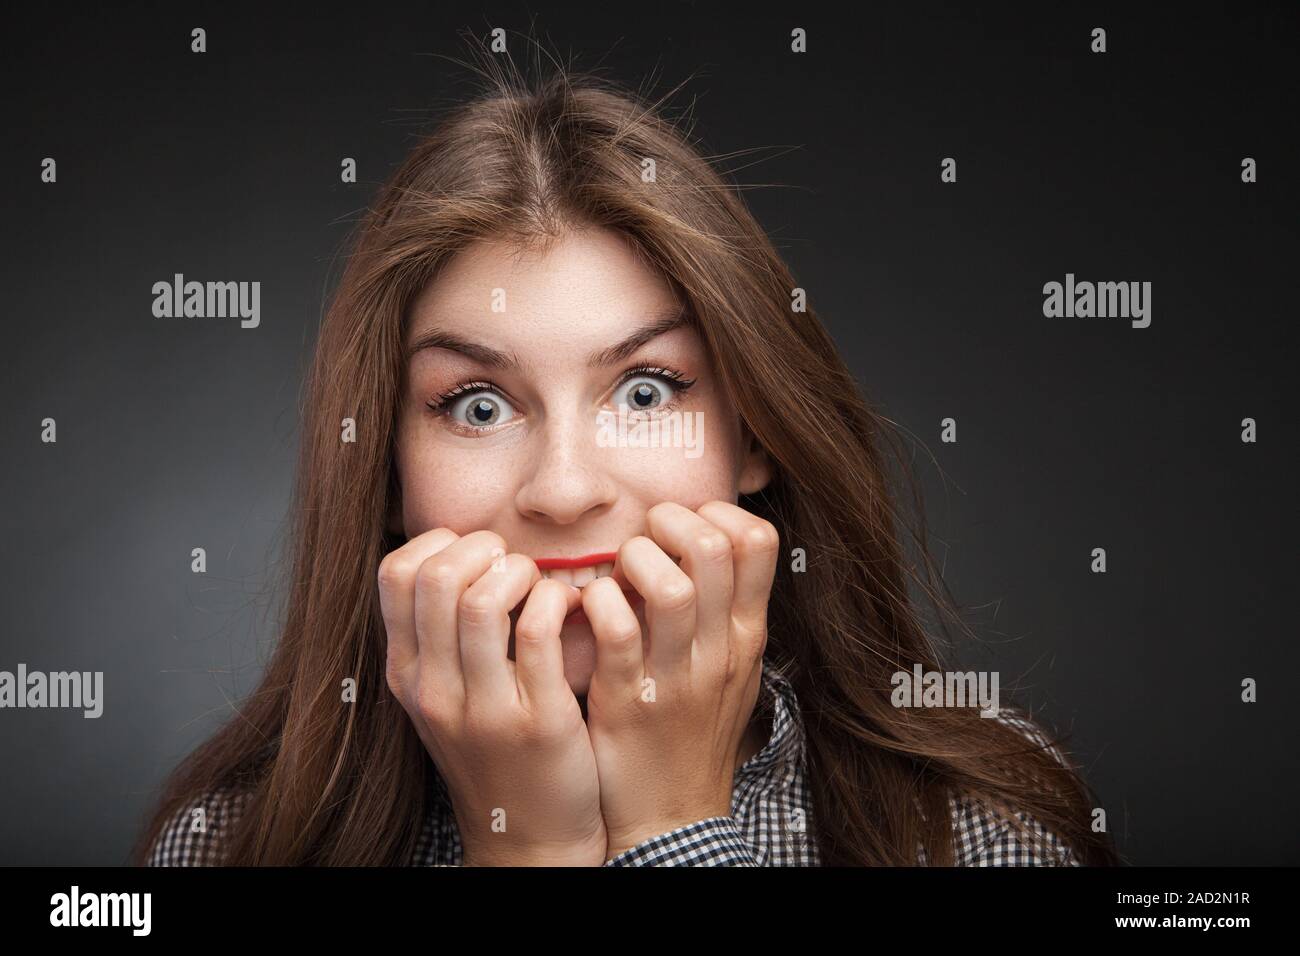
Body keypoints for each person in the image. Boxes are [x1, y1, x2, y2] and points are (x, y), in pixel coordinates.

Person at [136, 40, 1119, 867]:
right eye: (477, 406)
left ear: (755, 437)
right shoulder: (231, 843)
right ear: (387, 476)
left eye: (645, 391)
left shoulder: (980, 823)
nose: (564, 489)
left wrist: (670, 824)